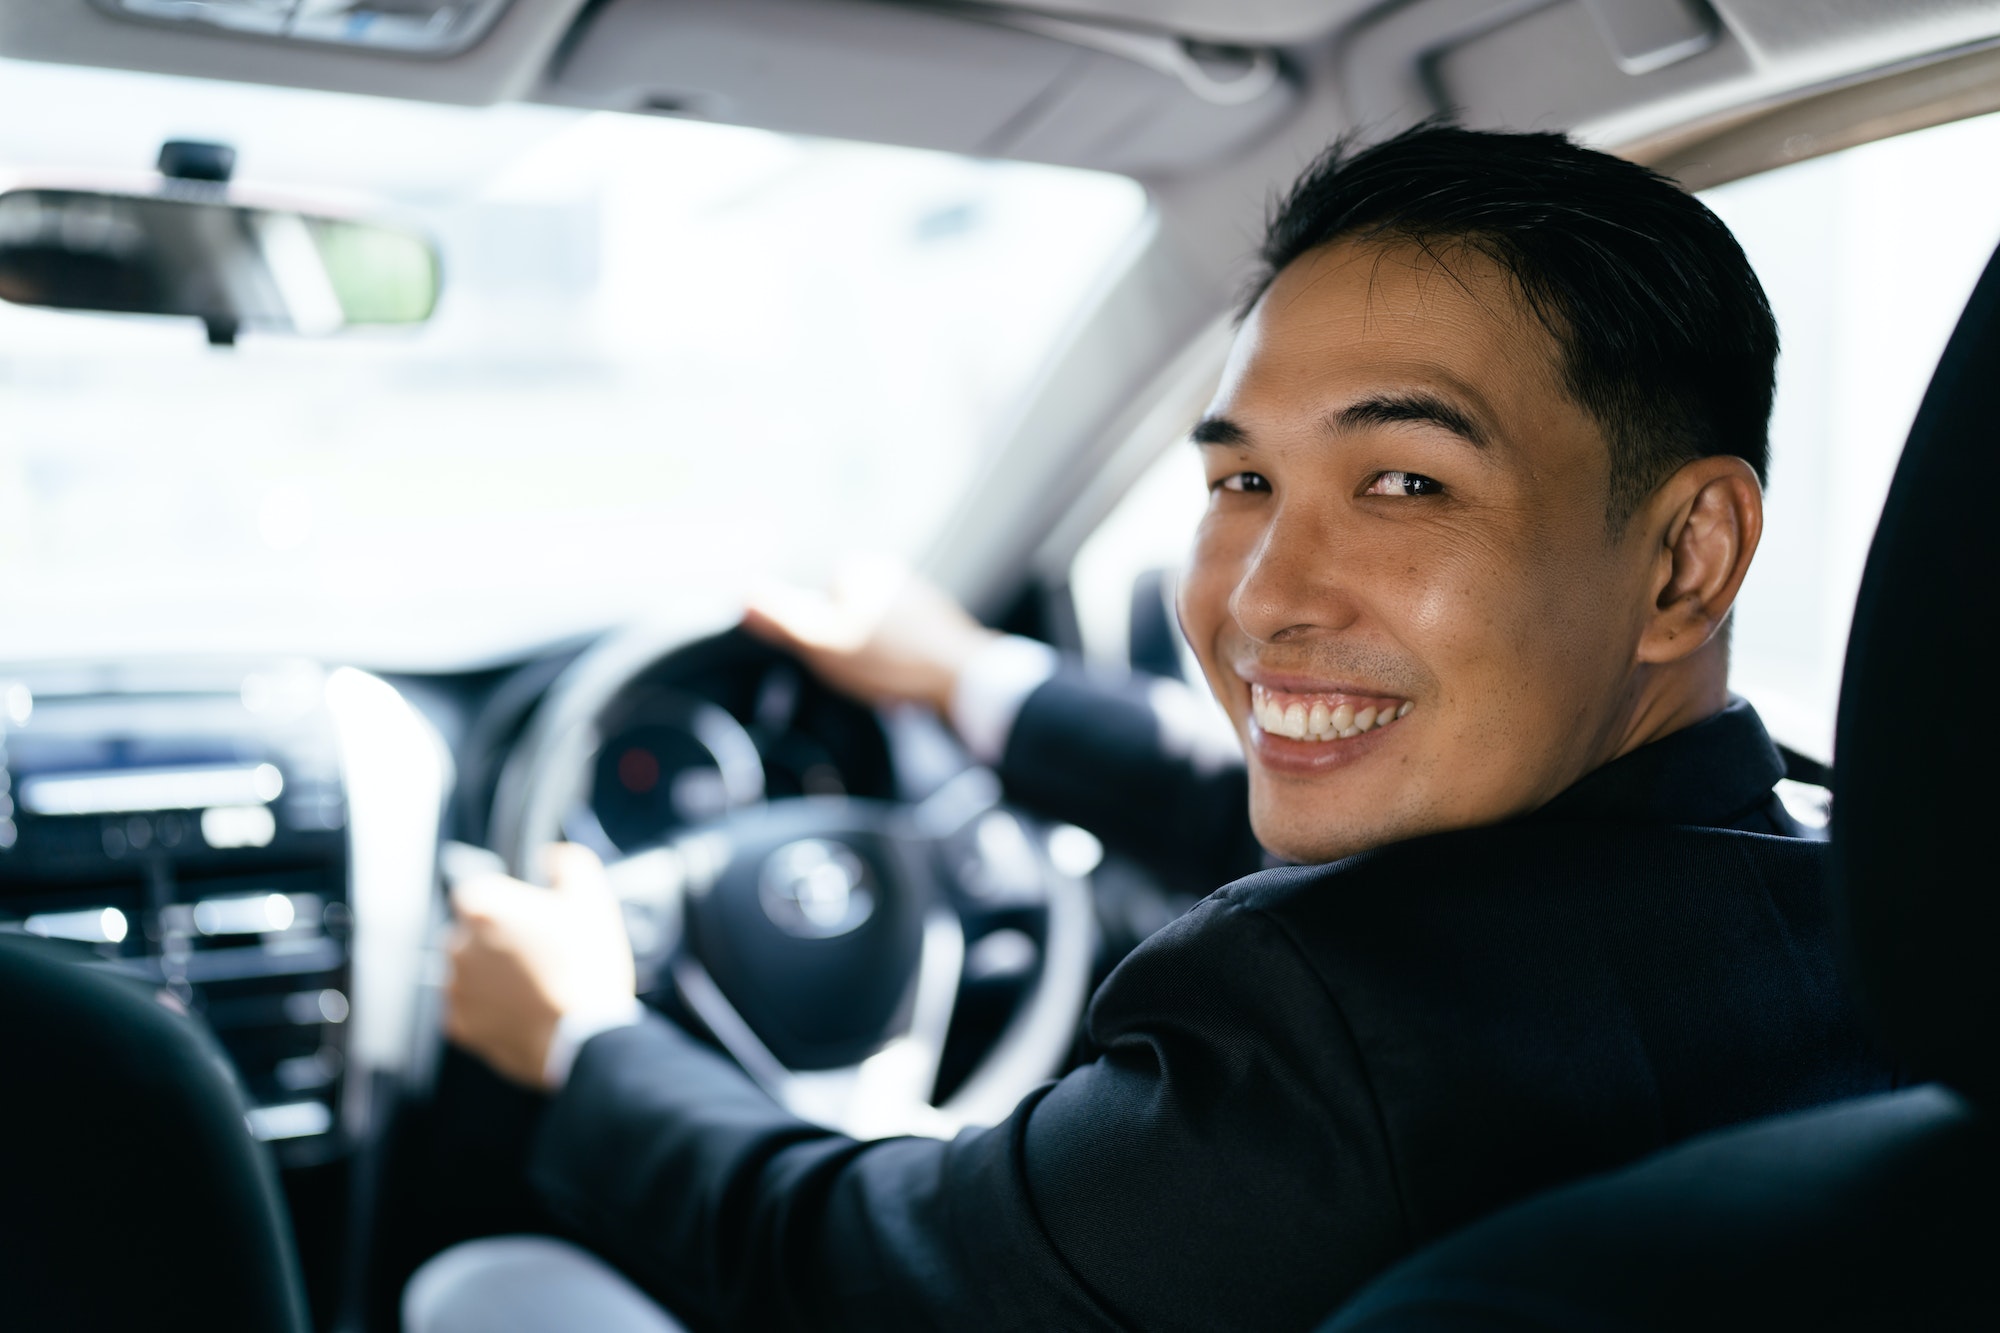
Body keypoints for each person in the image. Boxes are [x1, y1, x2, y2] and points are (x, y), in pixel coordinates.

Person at [408, 124, 1891, 1333]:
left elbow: (859, 1268)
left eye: (1404, 484)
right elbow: (1276, 813)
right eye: (1242, 485)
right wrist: (977, 685)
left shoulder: (1328, 1037)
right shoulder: (1872, 885)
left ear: (1688, 555)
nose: (1257, 600)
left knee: (483, 1292)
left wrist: (586, 1040)